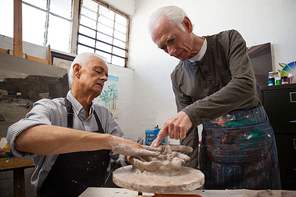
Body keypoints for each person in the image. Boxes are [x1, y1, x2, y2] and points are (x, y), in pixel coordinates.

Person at [148, 6, 281, 189]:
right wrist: (187, 174)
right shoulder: (177, 76)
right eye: (163, 48)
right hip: (215, 154)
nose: (170, 52)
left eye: (171, 40)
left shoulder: (228, 41)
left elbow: (245, 86)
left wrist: (190, 114)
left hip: (255, 147)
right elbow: (188, 133)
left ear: (186, 25)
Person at [6, 52, 160, 197]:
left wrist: (133, 156)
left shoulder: (104, 115)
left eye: (106, 75)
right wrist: (107, 141)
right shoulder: (50, 109)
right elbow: (21, 138)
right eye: (98, 71)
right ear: (77, 70)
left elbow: (120, 152)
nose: (104, 78)